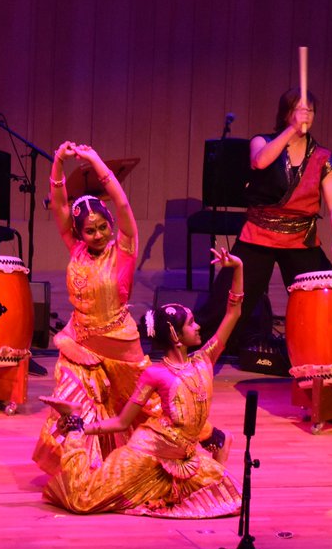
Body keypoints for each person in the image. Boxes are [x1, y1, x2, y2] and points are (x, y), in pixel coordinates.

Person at [39, 248, 245, 518]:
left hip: (182, 459)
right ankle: (73, 425)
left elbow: (234, 313)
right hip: (145, 456)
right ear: (175, 335)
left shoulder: (204, 360)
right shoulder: (156, 374)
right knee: (83, 500)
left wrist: (237, 268)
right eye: (191, 324)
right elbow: (122, 423)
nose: (198, 327)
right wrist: (81, 428)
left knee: (228, 496)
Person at [32, 142, 153, 476]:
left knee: (141, 413)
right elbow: (59, 204)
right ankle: (82, 471)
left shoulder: (125, 248)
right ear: (78, 233)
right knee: (75, 407)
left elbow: (124, 202)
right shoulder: (76, 251)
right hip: (80, 344)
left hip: (120, 345)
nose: (99, 234)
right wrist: (57, 162)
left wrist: (96, 161)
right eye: (90, 230)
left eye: (103, 227)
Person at [209, 87, 332, 355]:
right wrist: (291, 131)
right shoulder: (261, 141)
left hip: (300, 238)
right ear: (286, 113)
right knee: (227, 299)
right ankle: (207, 350)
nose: (306, 114)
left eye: (310, 110)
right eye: (299, 109)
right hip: (259, 234)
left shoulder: (322, 157)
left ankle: (321, 354)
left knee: (322, 299)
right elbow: (260, 162)